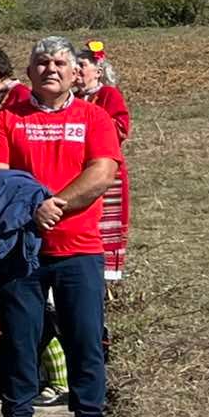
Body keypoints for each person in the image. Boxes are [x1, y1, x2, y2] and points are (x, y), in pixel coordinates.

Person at [0, 37, 122, 417]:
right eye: (42, 63)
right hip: (21, 248)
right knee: (20, 338)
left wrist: (53, 204)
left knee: (85, 338)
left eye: (60, 63)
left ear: (76, 73)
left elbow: (103, 172)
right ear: (29, 72)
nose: (51, 69)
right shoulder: (6, 120)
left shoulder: (95, 118)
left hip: (79, 247)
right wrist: (33, 209)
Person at [74, 41, 132, 282]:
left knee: (102, 222)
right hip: (77, 167)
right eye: (75, 65)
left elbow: (121, 128)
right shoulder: (72, 97)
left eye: (82, 65)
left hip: (105, 167)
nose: (77, 70)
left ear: (97, 71)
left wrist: (90, 127)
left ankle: (101, 282)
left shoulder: (108, 94)